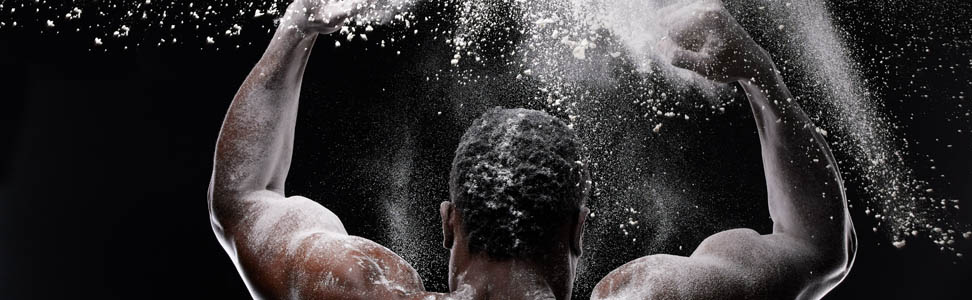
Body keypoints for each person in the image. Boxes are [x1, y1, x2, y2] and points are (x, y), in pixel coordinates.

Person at [208, 0, 856, 299]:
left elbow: (243, 196)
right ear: (579, 229)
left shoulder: (355, 293)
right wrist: (763, 80)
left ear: (447, 223)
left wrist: (299, 25)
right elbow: (814, 247)